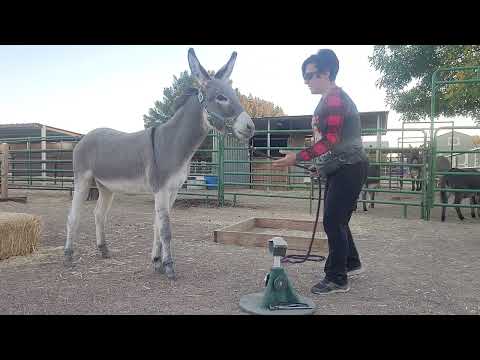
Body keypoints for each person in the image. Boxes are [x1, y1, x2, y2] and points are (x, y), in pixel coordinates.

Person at [272, 49, 369, 295]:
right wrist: (321, 166)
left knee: (333, 221)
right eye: (305, 75)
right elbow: (330, 143)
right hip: (343, 166)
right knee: (338, 219)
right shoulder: (328, 99)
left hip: (349, 166)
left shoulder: (335, 99)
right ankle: (350, 262)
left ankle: (337, 278)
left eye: (309, 75)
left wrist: (298, 157)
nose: (305, 81)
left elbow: (332, 140)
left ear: (326, 73)